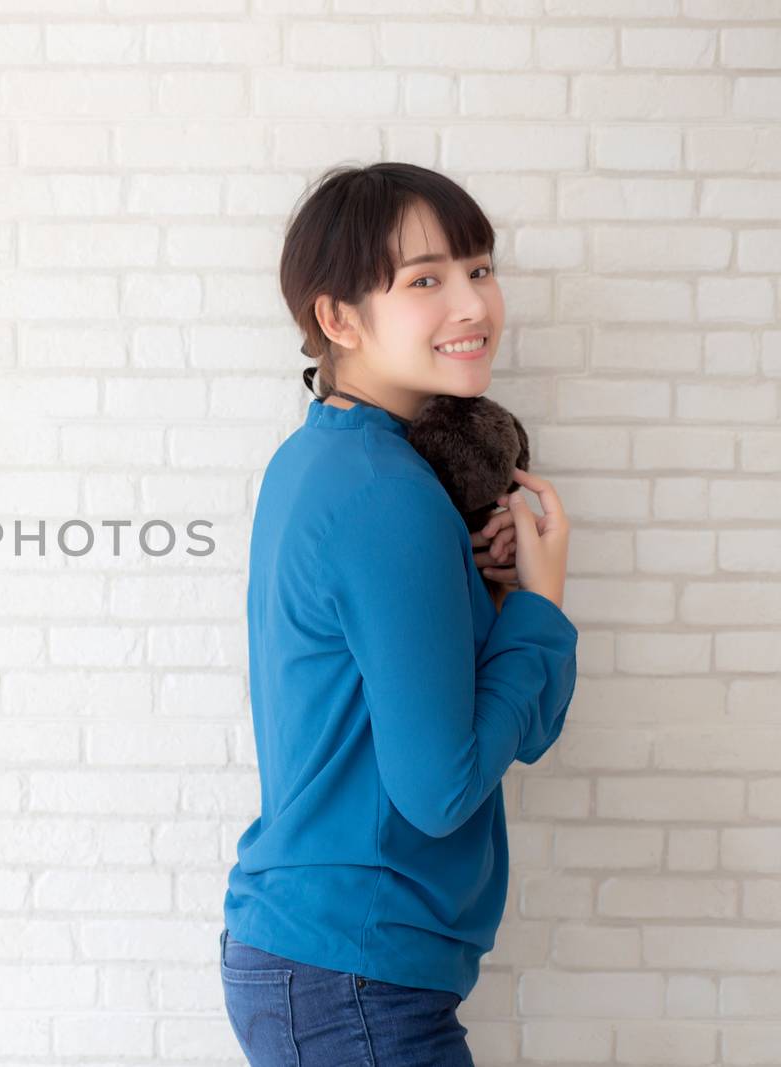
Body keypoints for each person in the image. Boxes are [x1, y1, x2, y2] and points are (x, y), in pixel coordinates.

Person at [220, 162, 578, 1066]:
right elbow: (441, 787)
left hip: (325, 959)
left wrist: (482, 595)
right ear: (338, 319)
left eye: (480, 269)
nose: (472, 304)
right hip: (353, 977)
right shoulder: (390, 493)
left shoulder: (322, 460)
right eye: (425, 280)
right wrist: (539, 604)